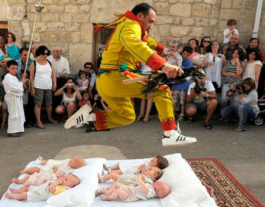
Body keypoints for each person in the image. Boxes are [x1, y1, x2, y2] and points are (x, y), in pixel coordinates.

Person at [65, 3, 197, 146]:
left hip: (106, 82)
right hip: (115, 78)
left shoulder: (130, 26)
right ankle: (170, 134)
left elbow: (145, 40)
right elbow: (136, 44)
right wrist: (163, 65)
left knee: (128, 116)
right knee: (162, 91)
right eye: (150, 21)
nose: (151, 26)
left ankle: (90, 117)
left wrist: (160, 48)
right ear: (140, 16)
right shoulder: (131, 25)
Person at [29, 45, 58, 129]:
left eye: (46, 53)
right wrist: (32, 88)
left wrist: (54, 84)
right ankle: (39, 121)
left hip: (48, 86)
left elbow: (53, 75)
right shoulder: (34, 64)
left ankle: (49, 118)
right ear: (39, 54)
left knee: (49, 104)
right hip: (38, 86)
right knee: (38, 104)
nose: (45, 55)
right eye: (43, 53)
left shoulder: (49, 63)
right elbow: (31, 77)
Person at [5, 174, 80, 202]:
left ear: (70, 186)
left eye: (66, 180)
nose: (63, 179)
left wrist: (57, 182)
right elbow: (50, 183)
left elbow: (51, 188)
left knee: (25, 194)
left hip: (40, 194)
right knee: (27, 187)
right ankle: (16, 191)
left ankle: (13, 196)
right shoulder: (61, 182)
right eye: (65, 177)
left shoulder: (63, 189)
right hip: (39, 188)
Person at [98, 175, 170, 202]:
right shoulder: (151, 185)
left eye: (159, 184)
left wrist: (140, 181)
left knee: (118, 191)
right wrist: (143, 179)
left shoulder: (152, 192)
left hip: (129, 195)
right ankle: (109, 192)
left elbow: (146, 190)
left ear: (157, 190)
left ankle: (108, 197)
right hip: (129, 189)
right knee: (117, 184)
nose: (158, 182)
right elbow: (144, 185)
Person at [2, 60, 25, 137]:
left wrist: (20, 84)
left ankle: (17, 129)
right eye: (12, 68)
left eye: (16, 68)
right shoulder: (8, 77)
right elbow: (13, 87)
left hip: (16, 98)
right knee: (13, 113)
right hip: (12, 98)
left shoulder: (14, 77)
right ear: (8, 68)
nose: (15, 70)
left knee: (17, 113)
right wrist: (21, 83)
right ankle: (12, 130)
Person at [171, 46, 193, 122]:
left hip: (184, 85)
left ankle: (182, 114)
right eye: (184, 54)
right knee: (174, 101)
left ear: (190, 55)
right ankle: (172, 114)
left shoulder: (189, 63)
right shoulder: (179, 59)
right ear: (182, 53)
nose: (185, 56)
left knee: (182, 102)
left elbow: (184, 73)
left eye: (187, 55)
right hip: (175, 84)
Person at [104, 155, 168, 176]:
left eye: (153, 161)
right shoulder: (149, 162)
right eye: (153, 159)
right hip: (132, 163)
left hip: (132, 169)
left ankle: (107, 172)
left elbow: (144, 172)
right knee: (120, 163)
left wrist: (142, 168)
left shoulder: (150, 168)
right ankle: (110, 167)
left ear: (156, 166)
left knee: (120, 171)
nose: (151, 160)